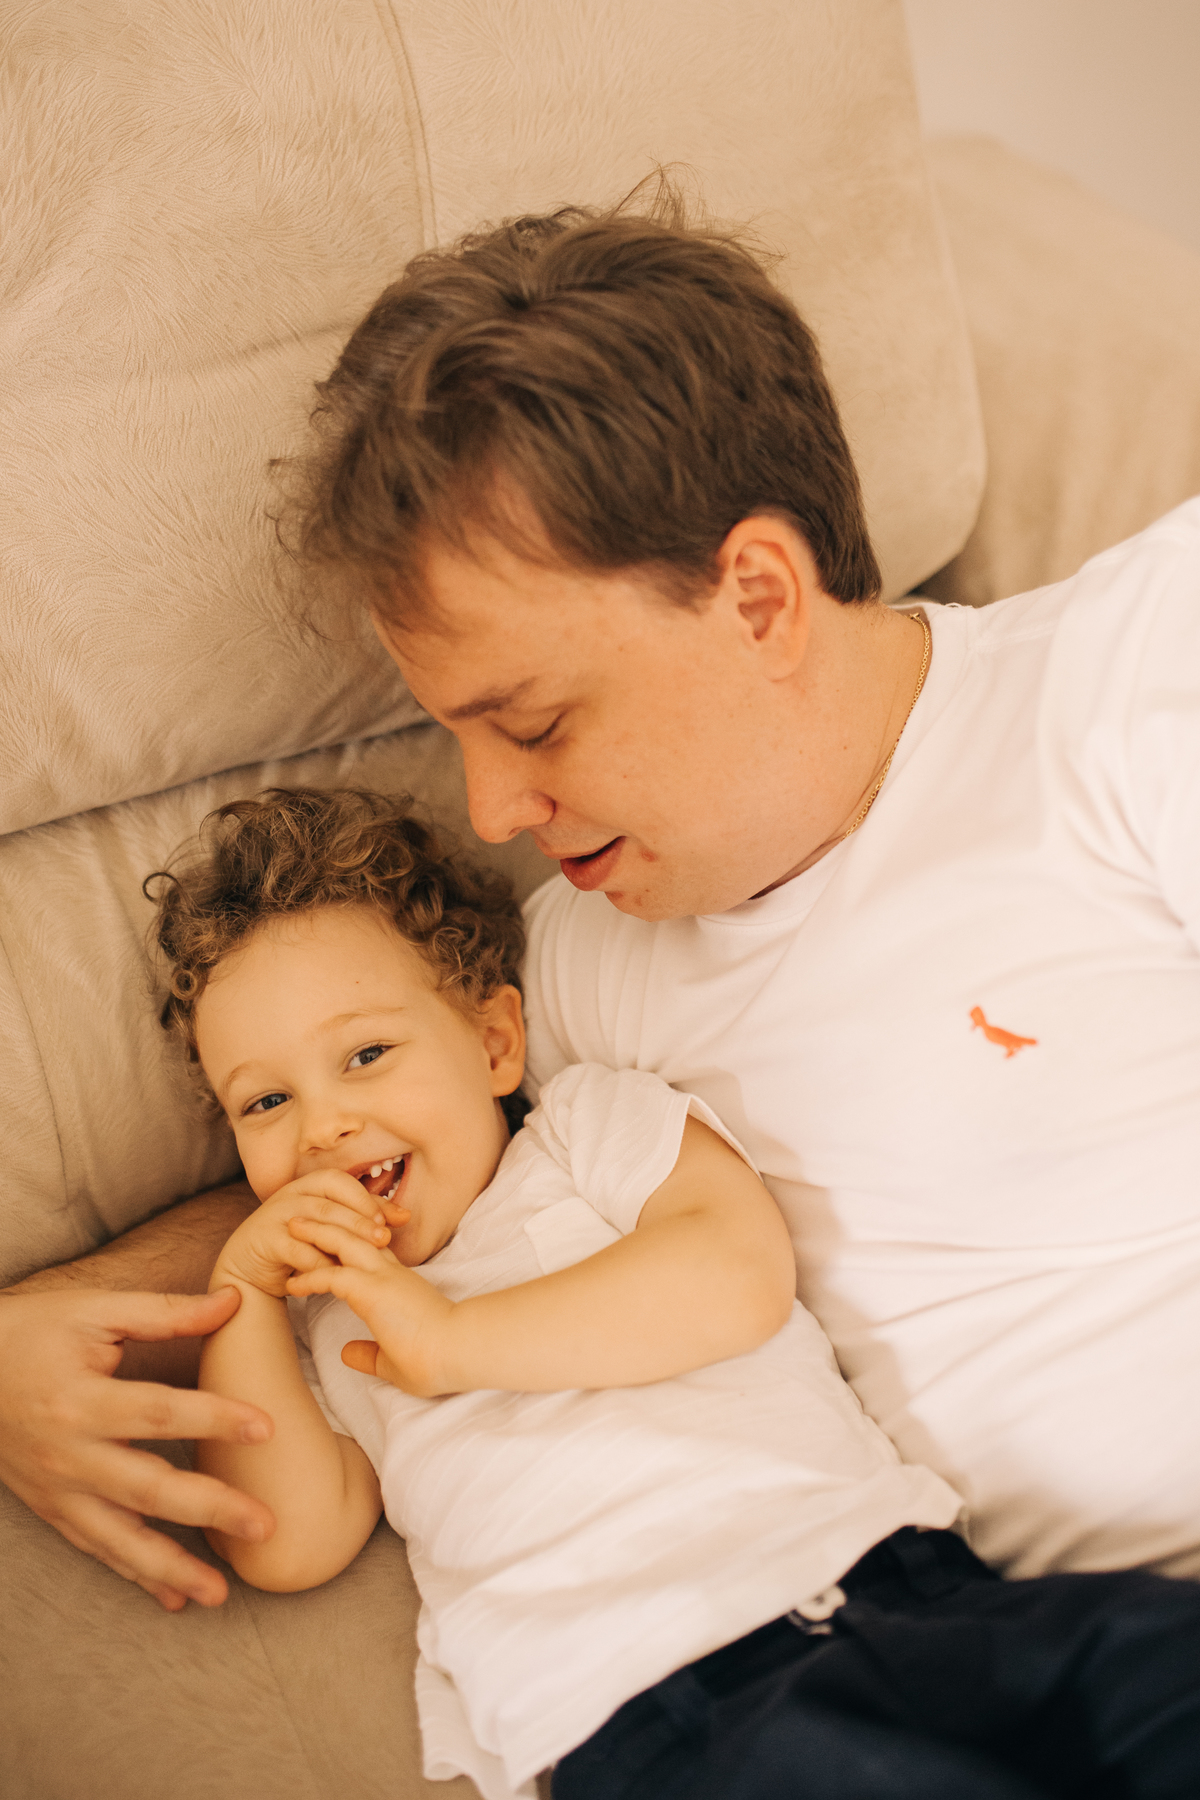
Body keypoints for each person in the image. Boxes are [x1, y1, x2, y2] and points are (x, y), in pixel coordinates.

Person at [3, 183, 1198, 1603]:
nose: (493, 811)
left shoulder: (1132, 674)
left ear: (757, 599)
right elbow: (365, 1141)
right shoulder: (578, 967)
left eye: (536, 723)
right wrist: (45, 1320)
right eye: (452, 734)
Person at [151, 784, 1200, 1800]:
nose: (323, 1126)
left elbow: (736, 1277)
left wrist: (457, 1339)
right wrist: (243, 1289)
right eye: (266, 1102)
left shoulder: (581, 1134)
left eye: (368, 1054)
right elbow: (285, 1539)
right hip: (659, 1704)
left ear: (494, 1042)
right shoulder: (318, 1313)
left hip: (908, 1582)